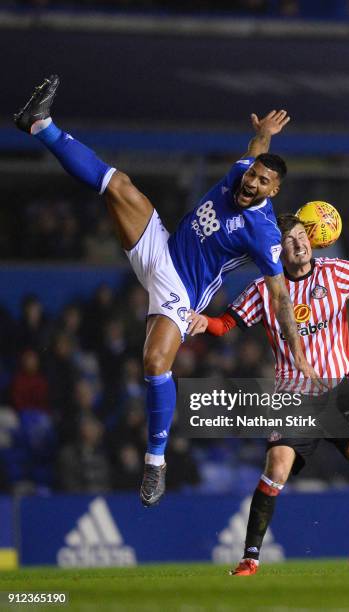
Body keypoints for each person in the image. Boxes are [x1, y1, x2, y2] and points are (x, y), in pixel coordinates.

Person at [14, 75, 317, 507]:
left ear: (275, 191)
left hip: (182, 290)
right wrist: (263, 134)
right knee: (118, 185)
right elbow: (255, 154)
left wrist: (297, 352)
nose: (251, 182)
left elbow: (280, 296)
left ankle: (155, 462)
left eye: (262, 181)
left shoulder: (263, 233)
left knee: (155, 363)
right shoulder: (240, 174)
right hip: (162, 248)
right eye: (252, 175)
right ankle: (39, 124)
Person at [188, 213, 349, 573]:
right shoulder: (264, 289)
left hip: (339, 396)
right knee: (276, 469)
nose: (299, 243)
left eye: (302, 237)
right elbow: (226, 324)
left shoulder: (334, 272)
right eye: (290, 240)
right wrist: (203, 323)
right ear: (279, 250)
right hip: (294, 397)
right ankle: (249, 559)